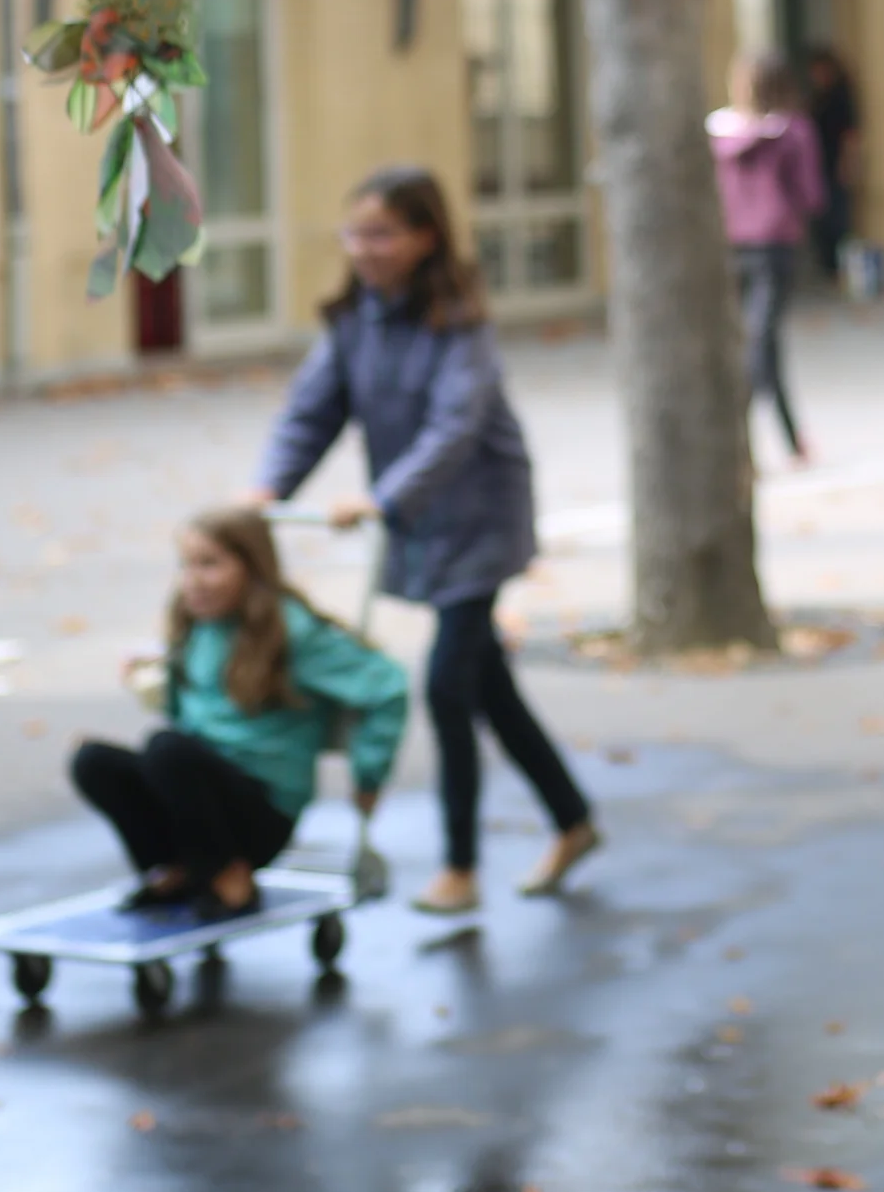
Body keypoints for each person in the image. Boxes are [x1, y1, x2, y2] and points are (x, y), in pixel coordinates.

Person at [251, 164, 599, 920]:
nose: (365, 248)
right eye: (355, 233)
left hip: (478, 520)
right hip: (420, 524)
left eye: (381, 233)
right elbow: (313, 410)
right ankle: (573, 821)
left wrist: (381, 498)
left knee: (446, 686)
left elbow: (455, 426)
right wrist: (268, 489)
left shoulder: (460, 323)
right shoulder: (355, 320)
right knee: (487, 689)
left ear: (424, 236)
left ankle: (460, 866)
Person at [71, 504, 407, 922]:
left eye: (209, 564)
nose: (192, 580)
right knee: (93, 760)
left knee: (167, 749)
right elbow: (194, 707)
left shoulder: (292, 631)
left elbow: (388, 687)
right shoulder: (198, 622)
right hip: (198, 799)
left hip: (260, 814)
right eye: (186, 564)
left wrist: (369, 775)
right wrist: (160, 673)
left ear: (253, 567)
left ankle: (231, 875)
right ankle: (179, 868)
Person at [708, 50, 828, 460]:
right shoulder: (795, 133)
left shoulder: (716, 134)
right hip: (774, 247)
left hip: (728, 246)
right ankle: (751, 441)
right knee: (762, 344)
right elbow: (811, 195)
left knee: (753, 343)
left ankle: (778, 442)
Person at [802, 44, 863, 285]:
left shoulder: (840, 97)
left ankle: (839, 270)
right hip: (816, 165)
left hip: (834, 165)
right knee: (822, 218)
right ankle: (828, 268)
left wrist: (848, 164)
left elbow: (850, 135)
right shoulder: (817, 96)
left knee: (837, 219)